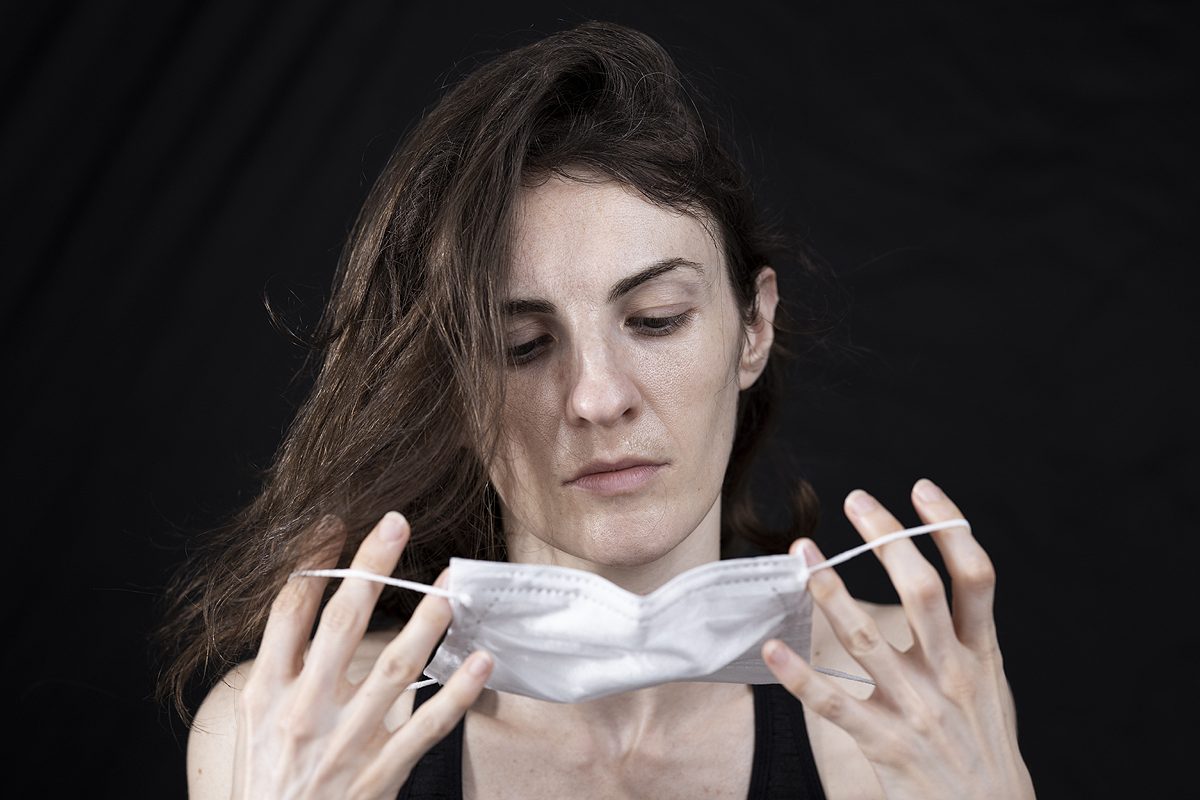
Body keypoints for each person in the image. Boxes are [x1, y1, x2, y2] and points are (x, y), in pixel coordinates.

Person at [162, 21, 1035, 799]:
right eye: (521, 346)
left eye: (656, 321)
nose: (596, 397)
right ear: (456, 382)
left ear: (753, 328)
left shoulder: (916, 703)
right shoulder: (282, 727)